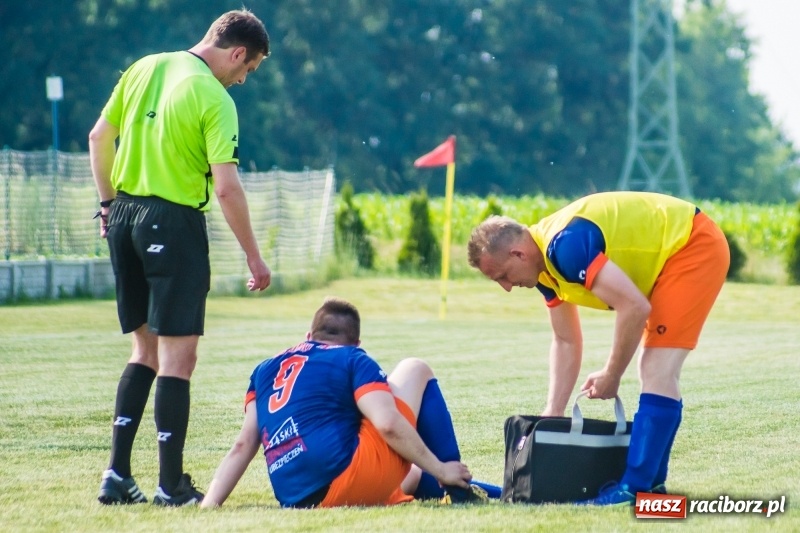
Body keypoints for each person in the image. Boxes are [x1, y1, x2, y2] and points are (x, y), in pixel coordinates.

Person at [89, 9, 272, 507]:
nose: (242, 80)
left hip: (123, 217)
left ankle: (117, 476)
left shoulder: (144, 67)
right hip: (172, 223)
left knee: (142, 353)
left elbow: (99, 137)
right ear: (237, 53)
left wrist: (108, 206)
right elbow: (228, 189)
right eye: (248, 70)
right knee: (178, 359)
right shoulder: (214, 97)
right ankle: (171, 486)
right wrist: (255, 258)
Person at [467, 191, 729, 506]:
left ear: (518, 253)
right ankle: (650, 485)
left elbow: (633, 307)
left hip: (691, 244)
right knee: (658, 369)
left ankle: (635, 488)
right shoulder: (543, 267)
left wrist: (612, 375)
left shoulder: (564, 248)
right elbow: (565, 339)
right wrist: (554, 412)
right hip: (675, 248)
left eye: (504, 276)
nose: (507, 287)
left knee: (657, 367)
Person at [200, 297, 501, 508]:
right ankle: (456, 485)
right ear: (357, 343)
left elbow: (243, 445)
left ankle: (501, 493)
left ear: (308, 335)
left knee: (411, 475)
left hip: (297, 498)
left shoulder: (264, 369)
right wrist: (440, 468)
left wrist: (210, 505)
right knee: (414, 368)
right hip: (344, 478)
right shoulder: (352, 357)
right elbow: (387, 424)